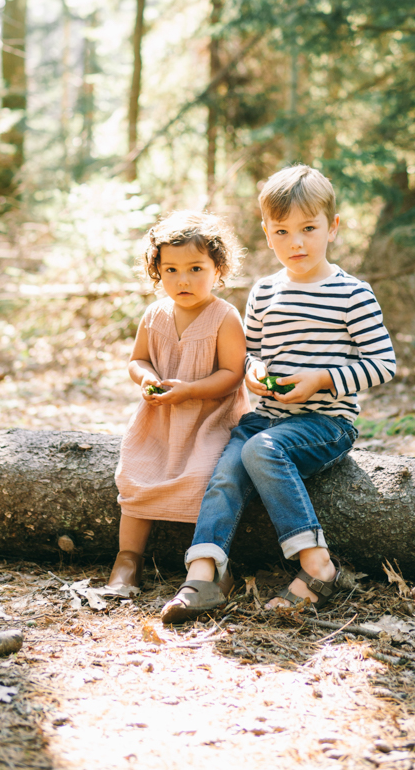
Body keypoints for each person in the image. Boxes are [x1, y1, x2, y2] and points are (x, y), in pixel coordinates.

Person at [160, 165, 396, 621]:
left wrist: (321, 379)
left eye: (309, 229)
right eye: (282, 231)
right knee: (227, 468)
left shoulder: (353, 295)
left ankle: (317, 565)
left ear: (333, 227)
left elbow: (381, 364)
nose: (297, 243)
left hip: (325, 424)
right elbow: (255, 356)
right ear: (267, 234)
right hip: (265, 416)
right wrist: (254, 372)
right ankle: (203, 576)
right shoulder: (265, 292)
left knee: (263, 451)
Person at [104, 211, 250, 598]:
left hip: (210, 418)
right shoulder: (154, 315)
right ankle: (127, 560)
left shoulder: (224, 317)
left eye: (195, 268)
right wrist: (146, 378)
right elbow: (137, 359)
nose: (182, 280)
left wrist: (190, 389)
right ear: (157, 272)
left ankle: (212, 565)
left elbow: (233, 374)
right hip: (161, 418)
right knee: (135, 473)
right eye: (170, 270)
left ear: (218, 269)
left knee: (206, 476)